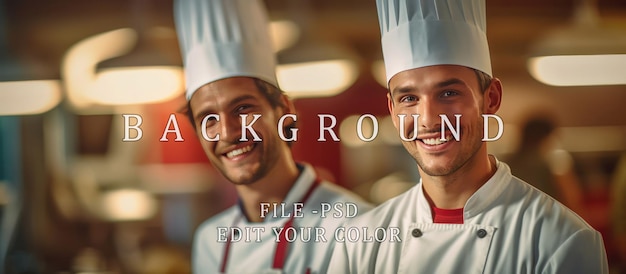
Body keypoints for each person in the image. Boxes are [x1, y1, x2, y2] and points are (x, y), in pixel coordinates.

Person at [328, 0, 609, 273]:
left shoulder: (560, 241)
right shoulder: (359, 242)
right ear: (392, 108)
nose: (428, 118)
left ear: (491, 98)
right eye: (409, 98)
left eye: (449, 93)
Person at [173, 0, 372, 273]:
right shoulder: (210, 241)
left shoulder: (355, 227)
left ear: (284, 110)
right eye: (208, 119)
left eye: (243, 108)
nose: (228, 132)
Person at [506, 113, 585, 215]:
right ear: (548, 136)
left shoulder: (509, 163)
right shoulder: (554, 160)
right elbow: (570, 198)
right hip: (547, 219)